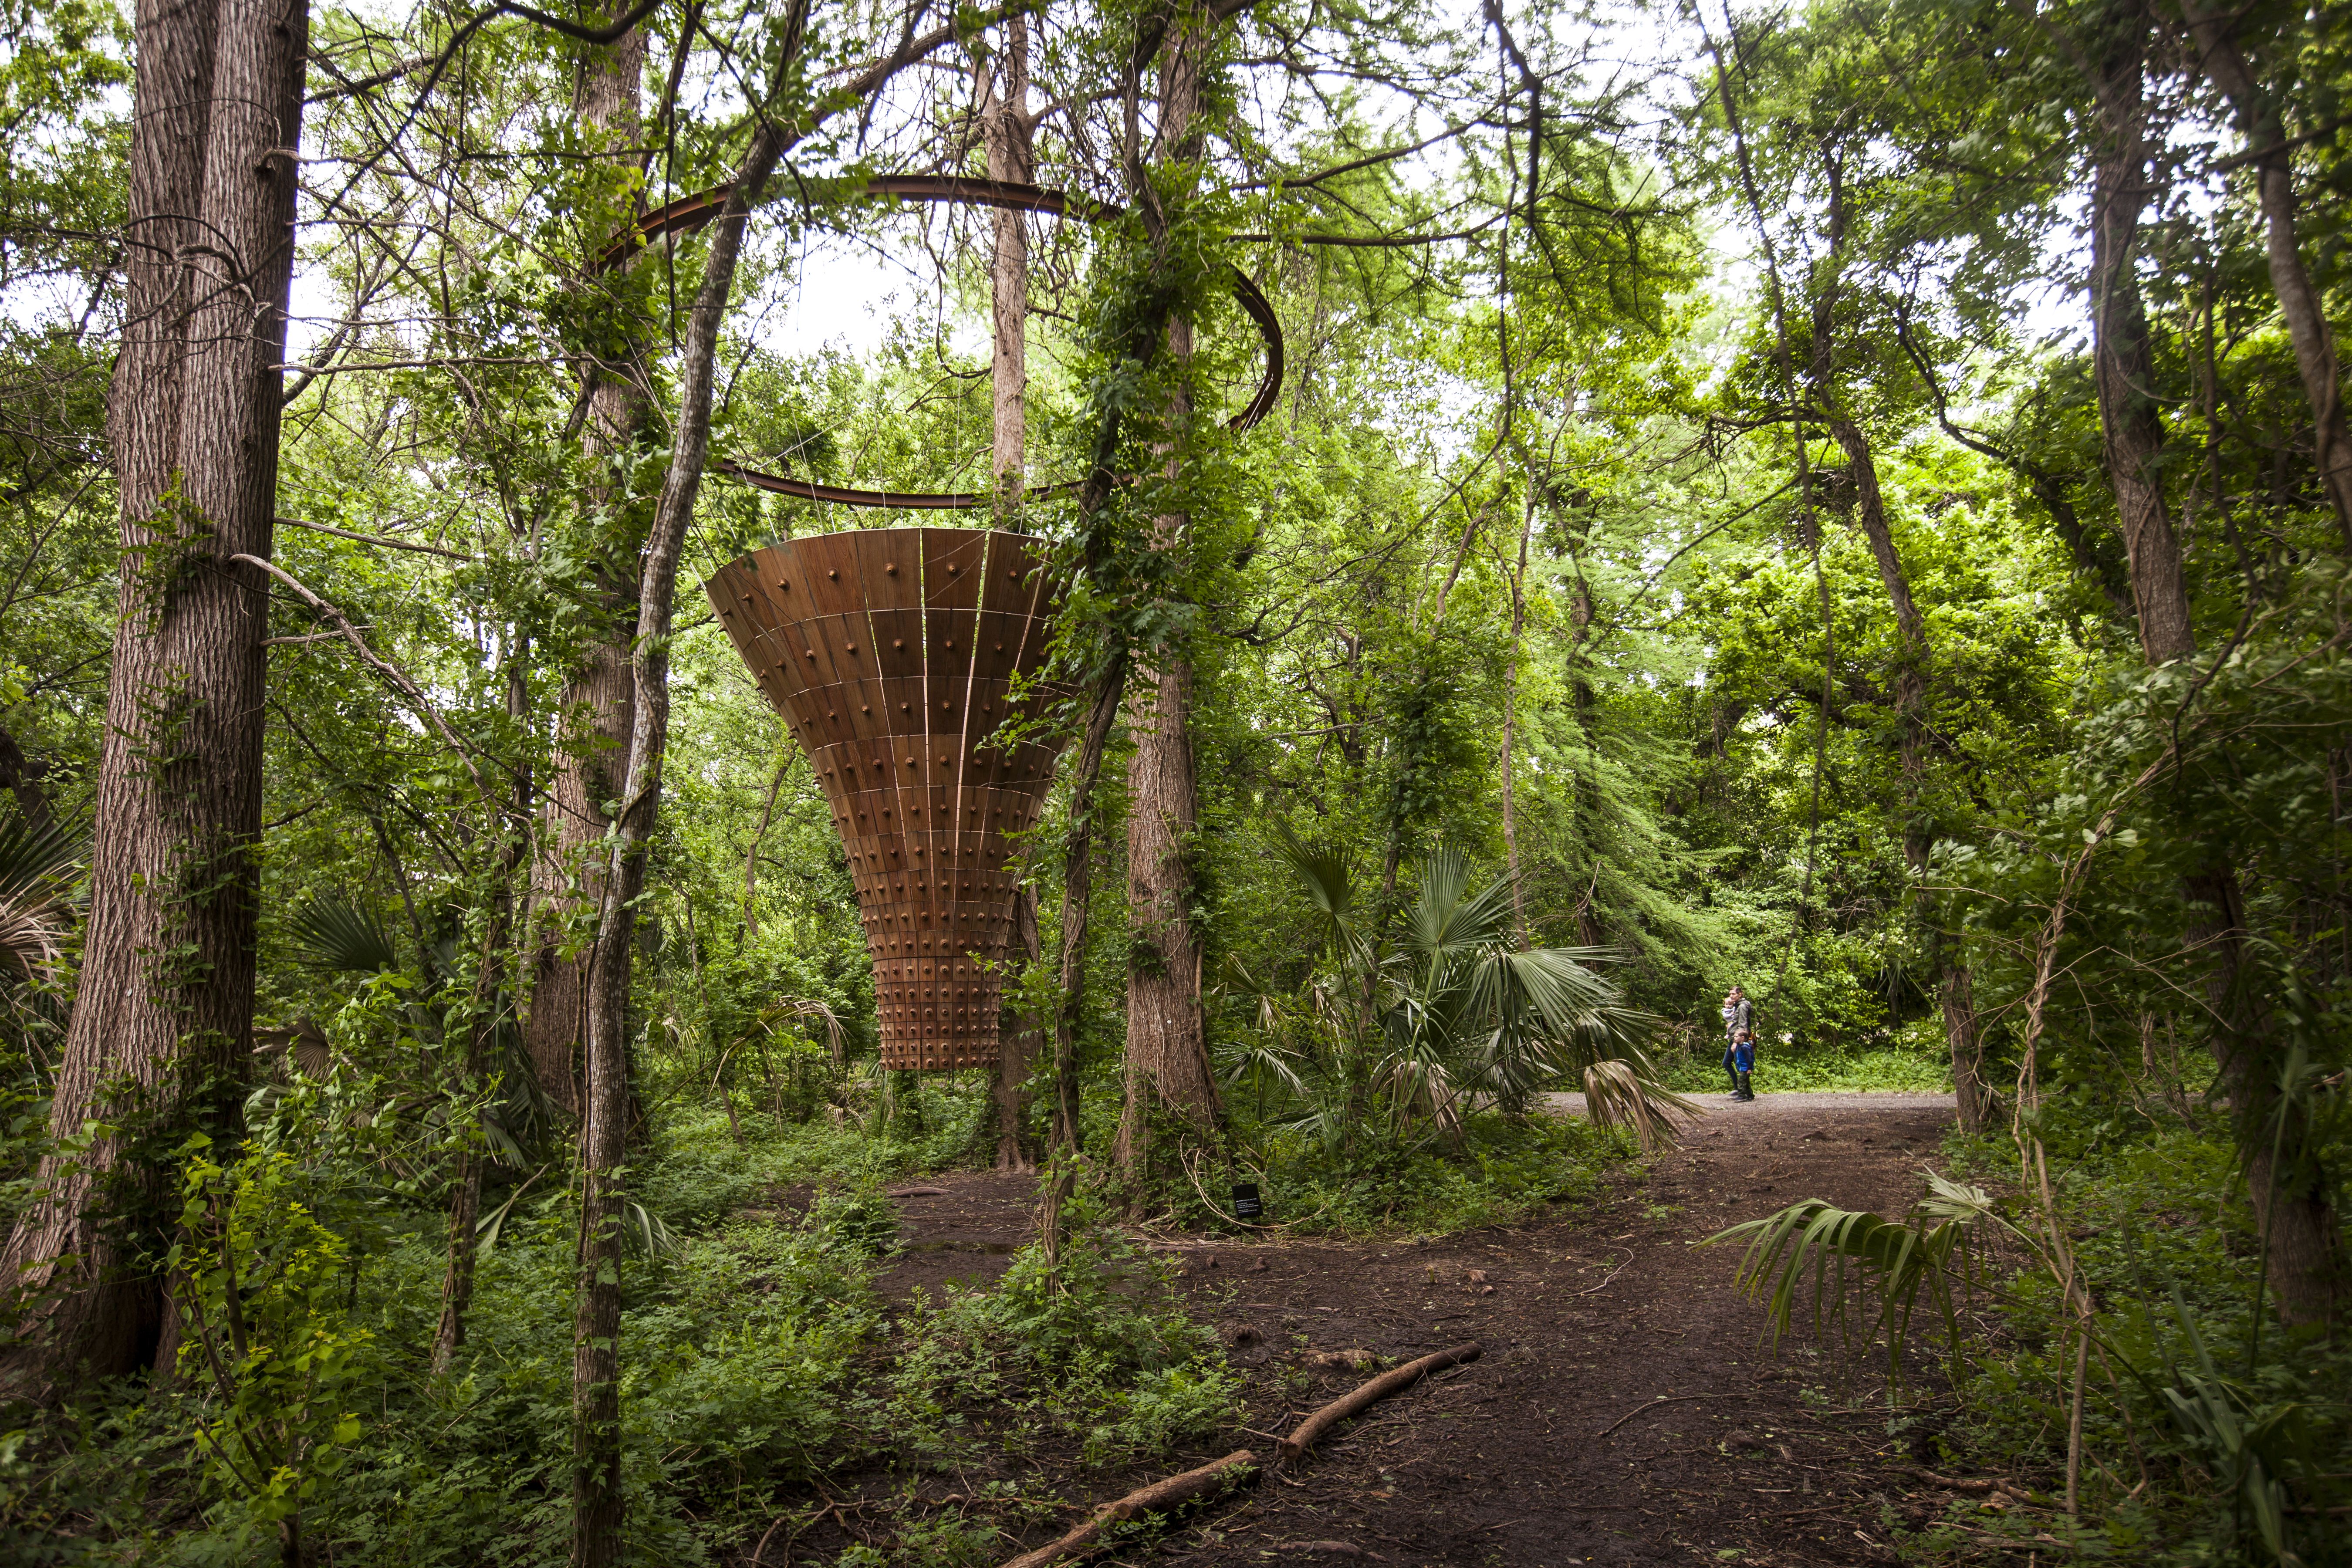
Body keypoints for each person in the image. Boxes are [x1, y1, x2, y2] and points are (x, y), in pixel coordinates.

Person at [1719, 986, 1754, 1095]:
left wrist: (1735, 1042)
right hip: (1735, 1037)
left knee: (1740, 1065)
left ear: (1740, 994)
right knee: (1729, 1063)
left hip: (1739, 1039)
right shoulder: (1737, 1006)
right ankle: (1741, 1089)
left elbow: (1743, 1025)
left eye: (1734, 994)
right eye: (1730, 994)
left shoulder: (1742, 1007)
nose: (1731, 996)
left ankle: (1745, 1092)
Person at [1730, 1028, 1757, 1102]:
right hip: (1743, 1068)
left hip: (1746, 1068)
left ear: (1742, 1038)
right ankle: (1750, 1095)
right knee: (1746, 1082)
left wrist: (1749, 1069)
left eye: (1736, 1037)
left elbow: (1749, 1059)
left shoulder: (1745, 1047)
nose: (1734, 1038)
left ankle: (1742, 1095)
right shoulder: (1740, 1047)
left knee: (1741, 1082)